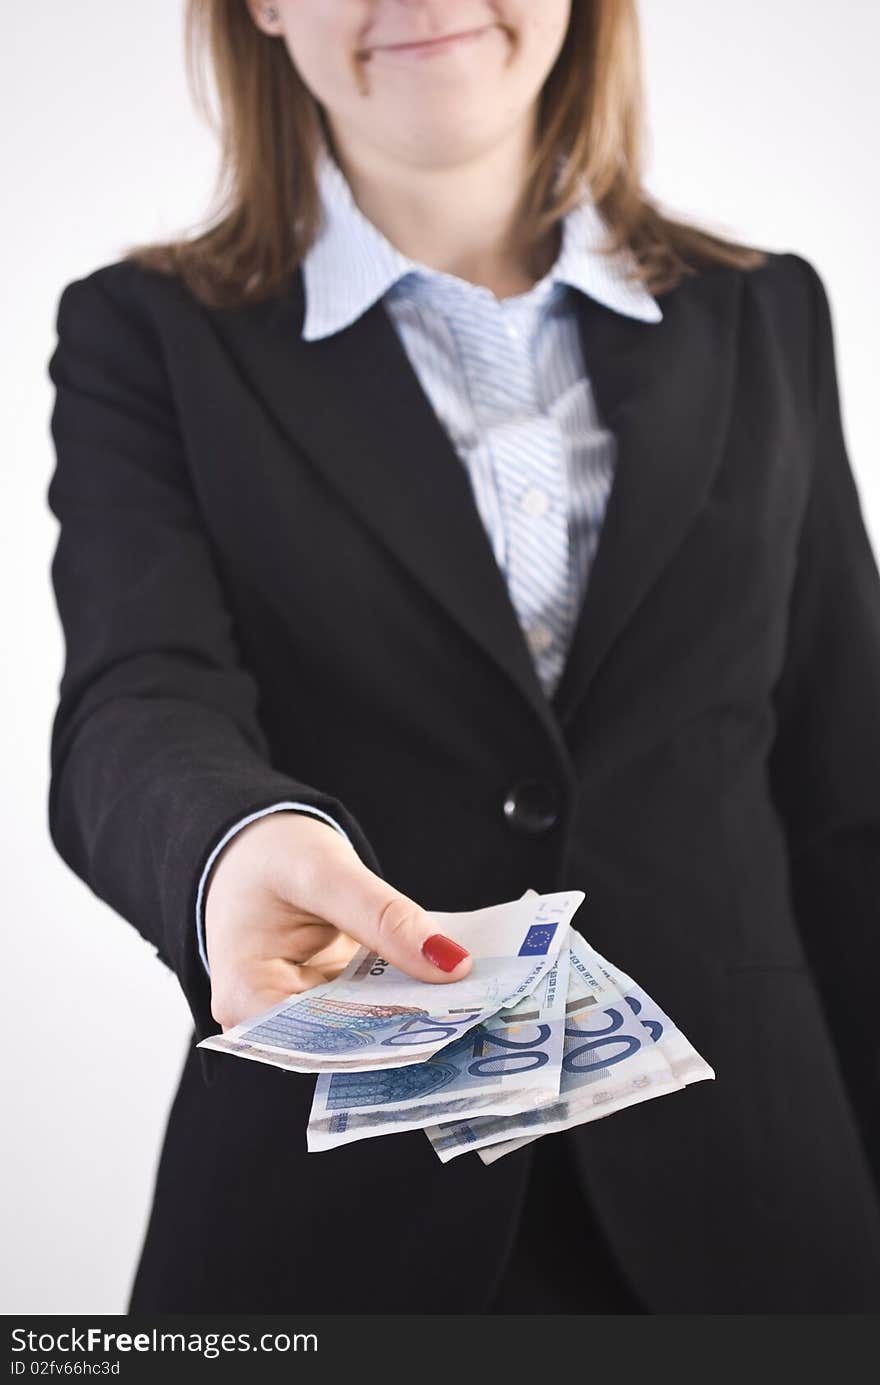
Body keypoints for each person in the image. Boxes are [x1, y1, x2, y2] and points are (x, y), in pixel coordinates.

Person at [46, 0, 880, 1314]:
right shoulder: (144, 335)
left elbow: (846, 799)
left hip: (761, 1216)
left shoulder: (766, 316)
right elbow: (136, 696)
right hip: (334, 1229)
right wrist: (235, 843)